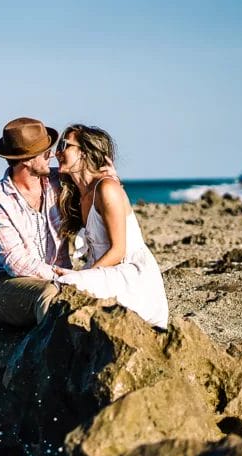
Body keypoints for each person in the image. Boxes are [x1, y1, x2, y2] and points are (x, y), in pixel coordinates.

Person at [52, 124, 169, 329]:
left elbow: (118, 251)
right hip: (104, 271)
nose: (57, 152)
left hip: (130, 275)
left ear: (85, 152)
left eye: (64, 145)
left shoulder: (106, 188)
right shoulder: (79, 194)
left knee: (68, 287)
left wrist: (83, 276)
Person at [0, 117, 71, 326]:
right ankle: (52, 357)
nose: (52, 156)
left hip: (58, 277)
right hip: (5, 284)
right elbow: (17, 264)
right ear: (28, 160)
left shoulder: (57, 183)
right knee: (49, 293)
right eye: (46, 153)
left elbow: (93, 186)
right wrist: (67, 279)